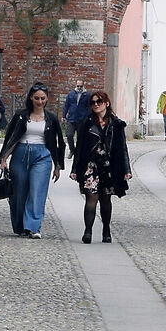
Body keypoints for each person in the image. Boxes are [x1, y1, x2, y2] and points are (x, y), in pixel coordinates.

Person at [0, 82, 64, 237]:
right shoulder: (21, 116)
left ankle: (33, 227)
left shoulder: (51, 119)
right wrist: (4, 158)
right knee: (19, 193)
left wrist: (57, 165)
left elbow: (59, 143)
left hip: (42, 155)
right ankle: (20, 226)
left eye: (43, 98)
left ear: (47, 99)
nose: (40, 101)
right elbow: (11, 138)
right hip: (21, 153)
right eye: (36, 98)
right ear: (31, 98)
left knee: (37, 191)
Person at [72, 90, 131, 244]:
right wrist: (74, 169)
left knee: (105, 199)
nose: (96, 105)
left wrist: (126, 170)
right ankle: (88, 231)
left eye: (99, 102)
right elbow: (79, 148)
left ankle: (106, 229)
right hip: (91, 166)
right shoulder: (87, 124)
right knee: (91, 197)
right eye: (93, 102)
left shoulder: (116, 124)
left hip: (110, 166)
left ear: (106, 103)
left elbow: (122, 148)